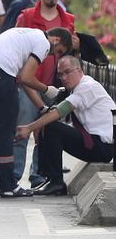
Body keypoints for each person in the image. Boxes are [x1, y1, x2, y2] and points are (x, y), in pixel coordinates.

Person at [0, 27, 73, 197]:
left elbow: (22, 78)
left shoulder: (26, 34)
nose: (53, 56)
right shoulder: (43, 42)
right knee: (6, 132)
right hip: (1, 76)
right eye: (57, 52)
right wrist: (47, 89)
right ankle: (8, 186)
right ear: (56, 40)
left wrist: (41, 107)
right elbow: (26, 78)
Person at [16, 56, 116, 195]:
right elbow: (58, 110)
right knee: (48, 125)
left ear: (79, 70)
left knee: (51, 127)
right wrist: (39, 126)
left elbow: (60, 111)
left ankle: (57, 182)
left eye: (67, 72)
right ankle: (50, 178)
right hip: (93, 143)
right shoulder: (76, 89)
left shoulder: (87, 86)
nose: (64, 77)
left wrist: (29, 128)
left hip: (101, 148)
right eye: (60, 74)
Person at [13, 0, 77, 186]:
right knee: (23, 127)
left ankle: (38, 174)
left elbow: (69, 52)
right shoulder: (27, 16)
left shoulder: (68, 19)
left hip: (53, 85)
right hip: (27, 84)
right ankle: (13, 174)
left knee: (46, 132)